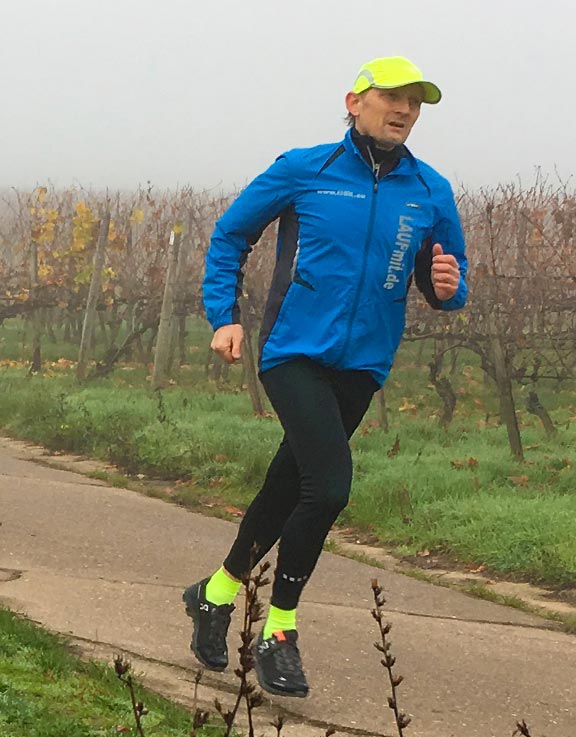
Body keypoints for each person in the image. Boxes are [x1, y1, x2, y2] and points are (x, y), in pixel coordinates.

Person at [184, 56, 468, 698]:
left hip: (363, 365)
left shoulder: (429, 190)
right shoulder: (303, 168)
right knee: (331, 486)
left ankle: (215, 592)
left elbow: (444, 277)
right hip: (293, 352)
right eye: (391, 96)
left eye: (415, 102)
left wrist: (447, 289)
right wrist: (223, 316)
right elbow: (230, 236)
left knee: (291, 486)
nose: (404, 110)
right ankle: (278, 630)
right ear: (355, 101)